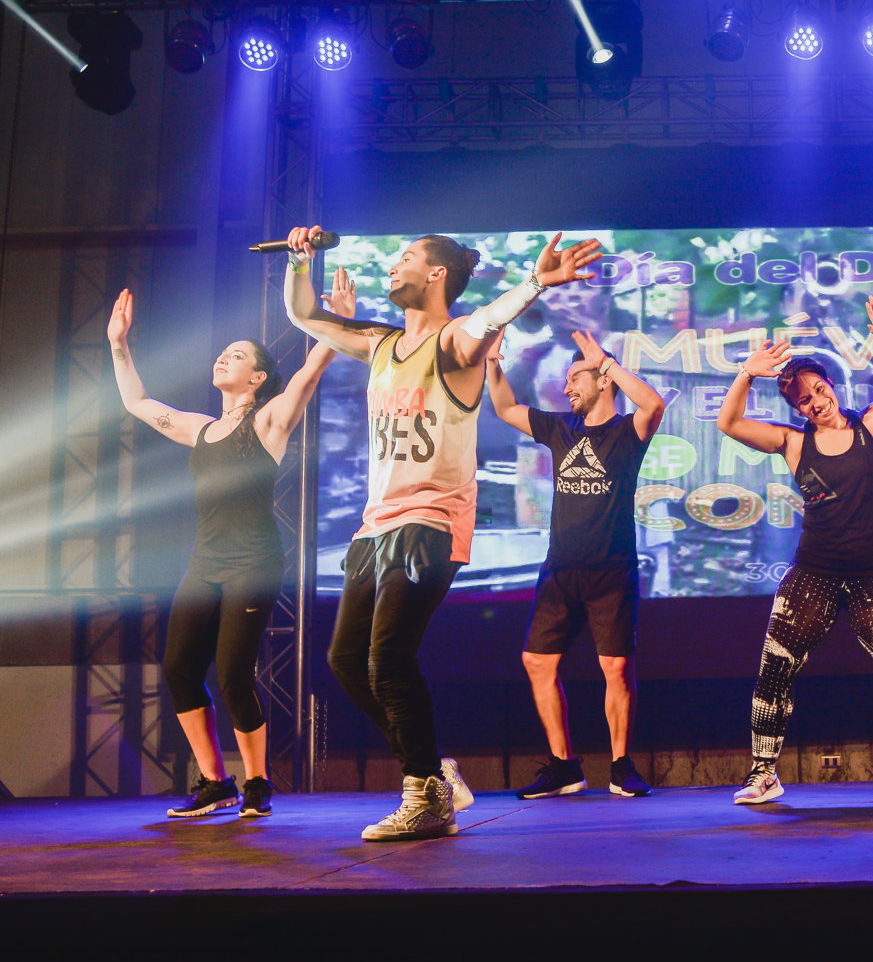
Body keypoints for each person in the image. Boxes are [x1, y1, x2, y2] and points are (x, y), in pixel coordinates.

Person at [284, 224, 602, 841]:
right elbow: (306, 316)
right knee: (346, 661)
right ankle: (431, 769)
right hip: (376, 524)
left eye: (404, 257)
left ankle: (425, 794)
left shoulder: (455, 344)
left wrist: (535, 282)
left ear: (435, 274)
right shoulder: (380, 343)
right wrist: (299, 261)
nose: (392, 265)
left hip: (432, 519)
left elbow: (486, 321)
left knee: (388, 657)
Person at [107, 274, 352, 818]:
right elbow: (137, 402)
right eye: (223, 352)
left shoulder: (268, 421)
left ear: (257, 377)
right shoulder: (198, 428)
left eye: (236, 355)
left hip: (253, 561)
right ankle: (216, 782)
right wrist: (119, 345)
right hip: (206, 562)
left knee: (234, 673)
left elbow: (310, 373)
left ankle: (258, 781)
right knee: (178, 669)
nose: (223, 358)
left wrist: (334, 322)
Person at [716, 295, 873, 805]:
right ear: (797, 409)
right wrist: (746, 374)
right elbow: (728, 424)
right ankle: (763, 774)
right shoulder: (794, 443)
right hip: (814, 574)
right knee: (774, 672)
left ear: (832, 387)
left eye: (819, 390)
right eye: (803, 401)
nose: (815, 402)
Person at [487, 327, 666, 799]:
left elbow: (653, 404)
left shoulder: (626, 432)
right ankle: (564, 766)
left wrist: (606, 362)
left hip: (612, 571)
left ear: (603, 381)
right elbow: (505, 408)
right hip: (560, 572)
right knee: (536, 661)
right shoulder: (561, 429)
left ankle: (621, 766)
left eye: (575, 379)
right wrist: (492, 364)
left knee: (616, 669)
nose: (567, 387)